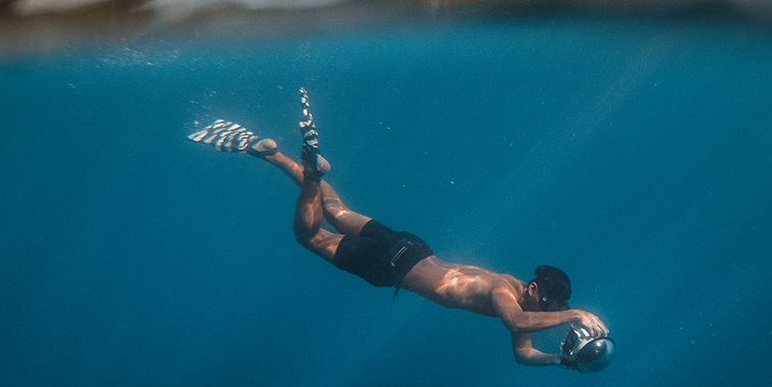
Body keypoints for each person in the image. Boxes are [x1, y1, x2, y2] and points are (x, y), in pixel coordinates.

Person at [190, 92, 610, 368]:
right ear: (537, 293)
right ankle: (313, 176)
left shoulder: (516, 293)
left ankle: (276, 157)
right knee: (310, 236)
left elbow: (522, 354)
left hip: (413, 246)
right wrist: (572, 313)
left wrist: (561, 360)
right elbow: (516, 322)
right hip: (393, 268)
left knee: (337, 210)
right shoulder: (506, 293)